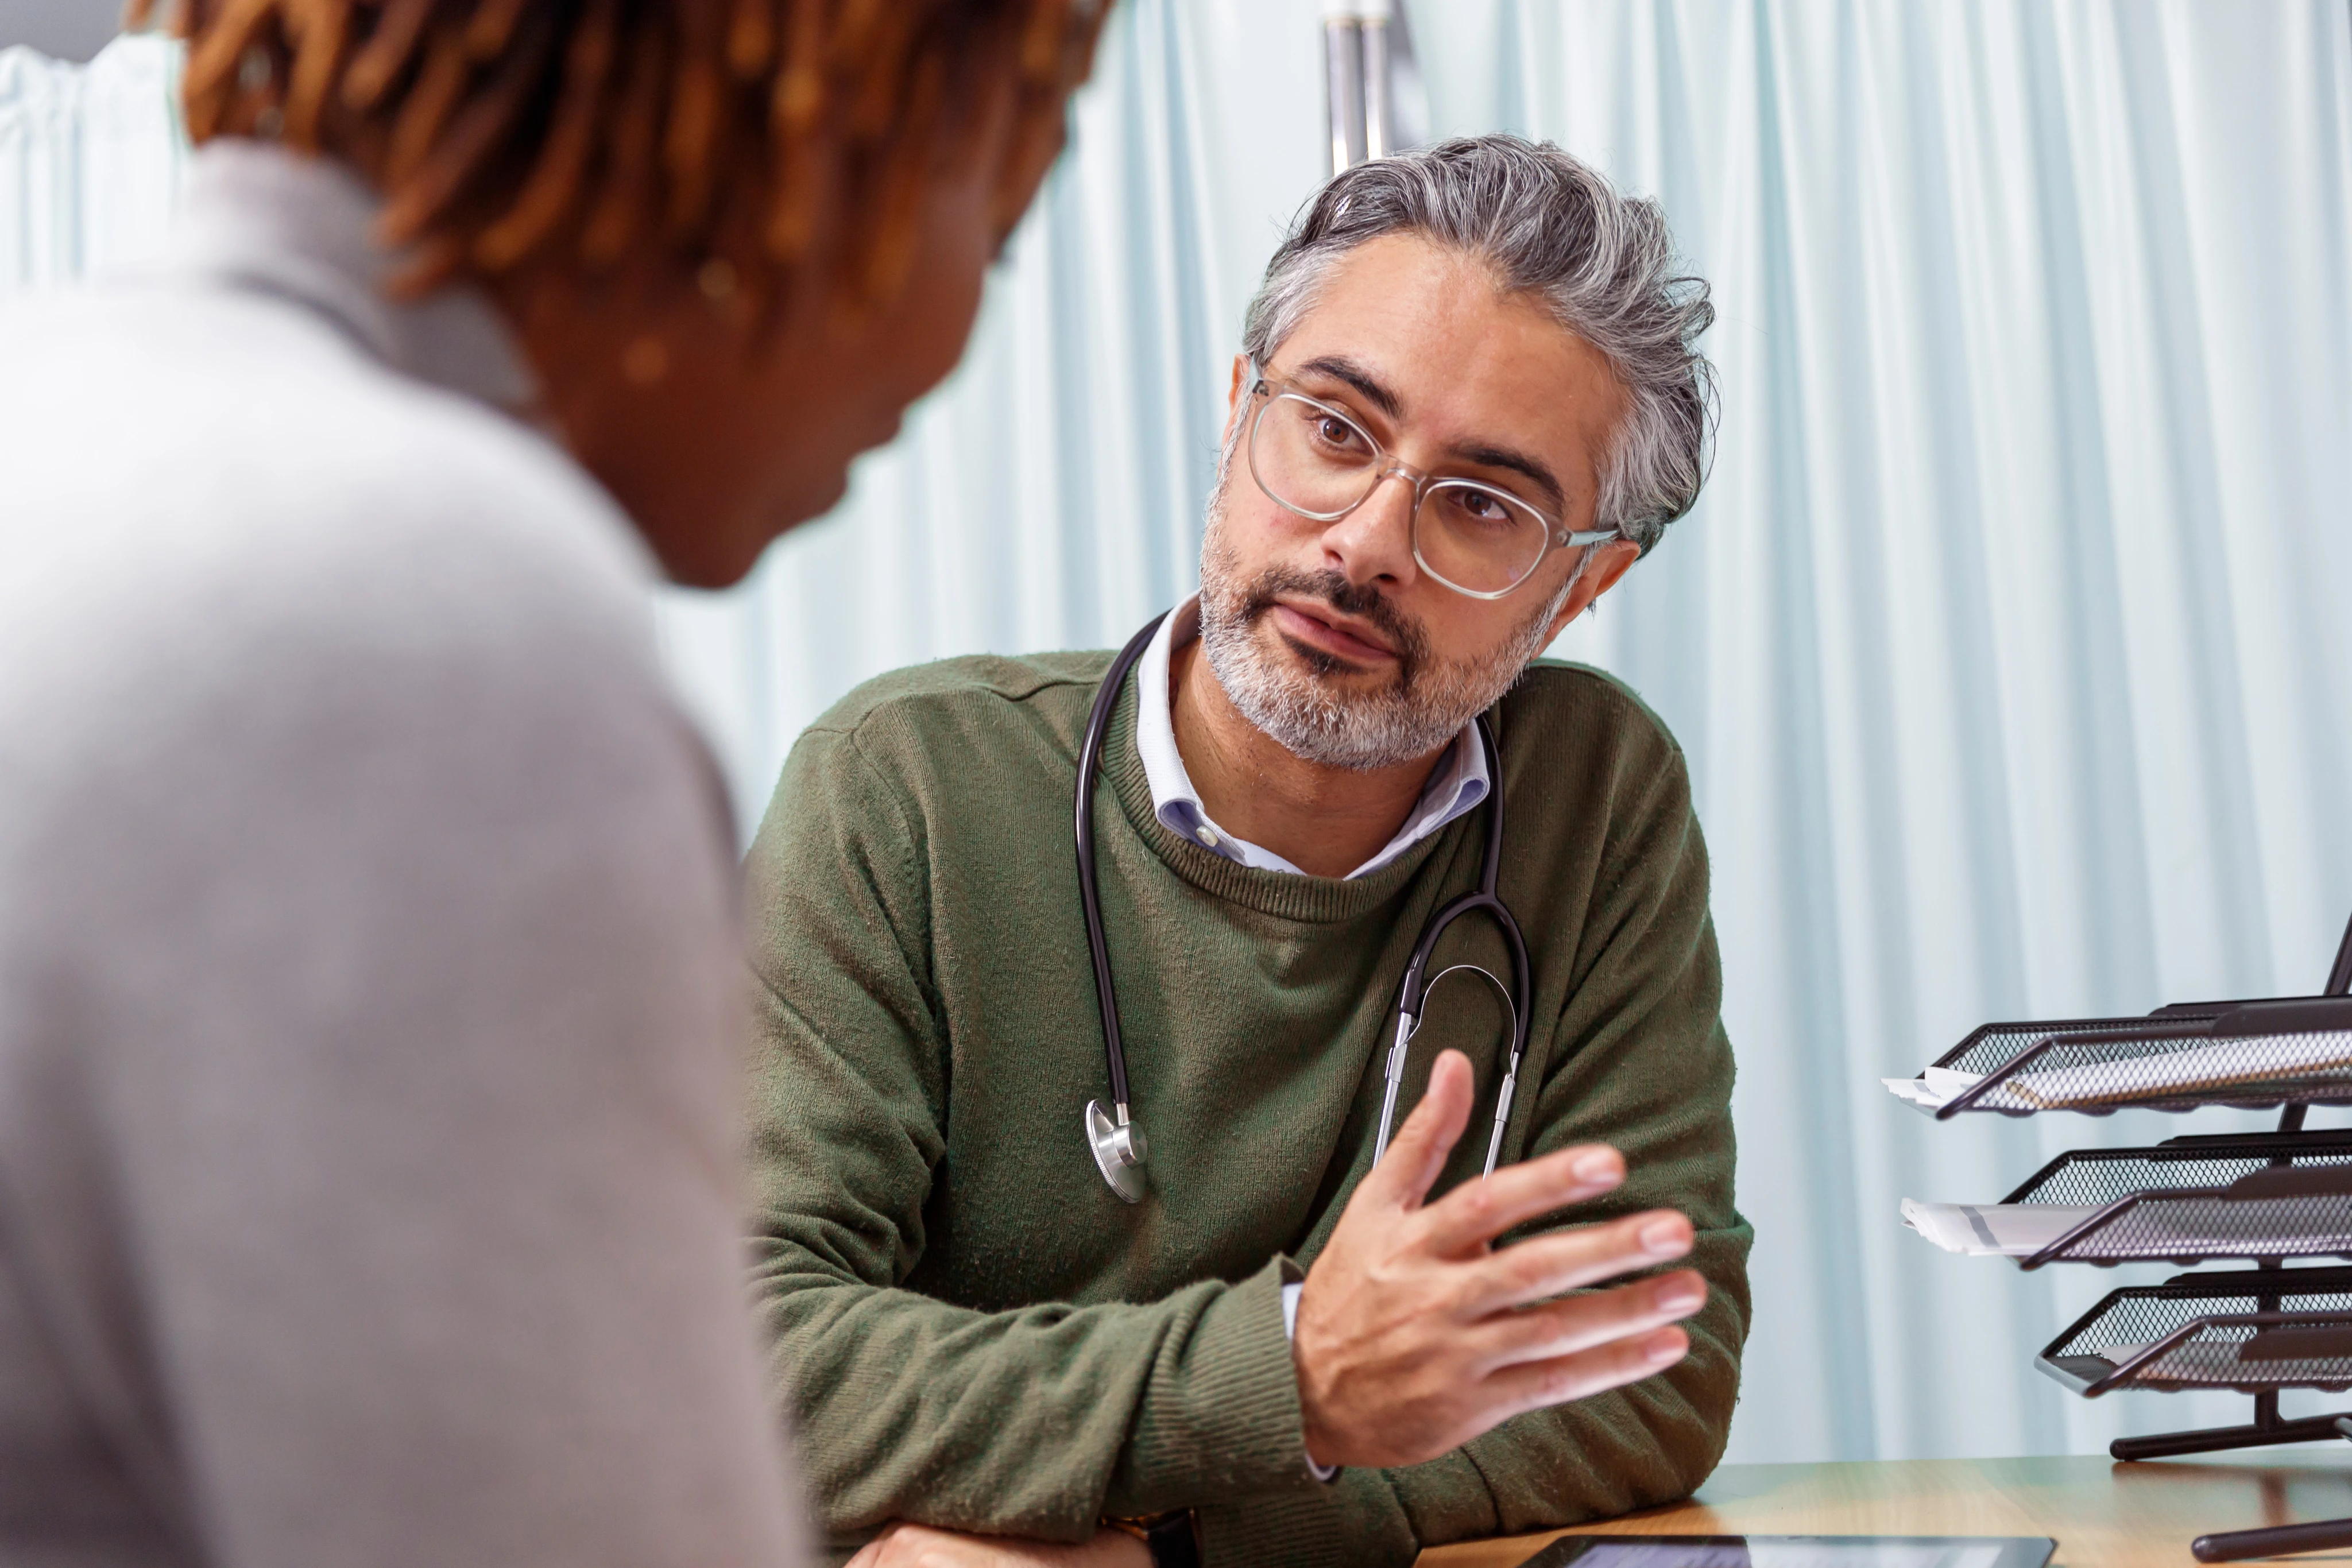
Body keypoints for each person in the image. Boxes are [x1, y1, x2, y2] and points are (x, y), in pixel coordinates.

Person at [0, 2, 1105, 1565]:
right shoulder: (418, 611)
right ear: (818, 123)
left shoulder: (55, 411)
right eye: (992, 214)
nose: (955, 340)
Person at [744, 134, 1750, 1568]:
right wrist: (1287, 1381)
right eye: (1334, 429)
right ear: (1237, 411)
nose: (1363, 544)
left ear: (1585, 579)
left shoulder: (1594, 796)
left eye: (1480, 504)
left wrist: (1183, 1543)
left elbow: (1649, 1349)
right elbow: (750, 1352)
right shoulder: (901, 783)